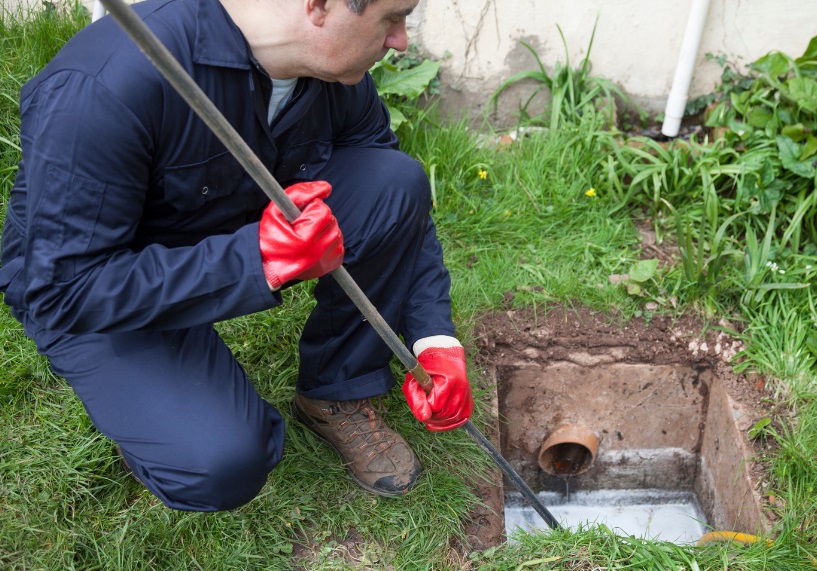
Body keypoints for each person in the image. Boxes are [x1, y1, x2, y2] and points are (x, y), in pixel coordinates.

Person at [0, 0, 473, 511]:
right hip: (99, 284)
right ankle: (151, 403)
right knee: (220, 462)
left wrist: (434, 338)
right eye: (391, 18)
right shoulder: (107, 84)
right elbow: (63, 291)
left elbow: (396, 200)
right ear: (319, 6)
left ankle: (337, 390)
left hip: (227, 222)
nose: (401, 39)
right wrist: (258, 260)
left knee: (394, 180)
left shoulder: (333, 74)